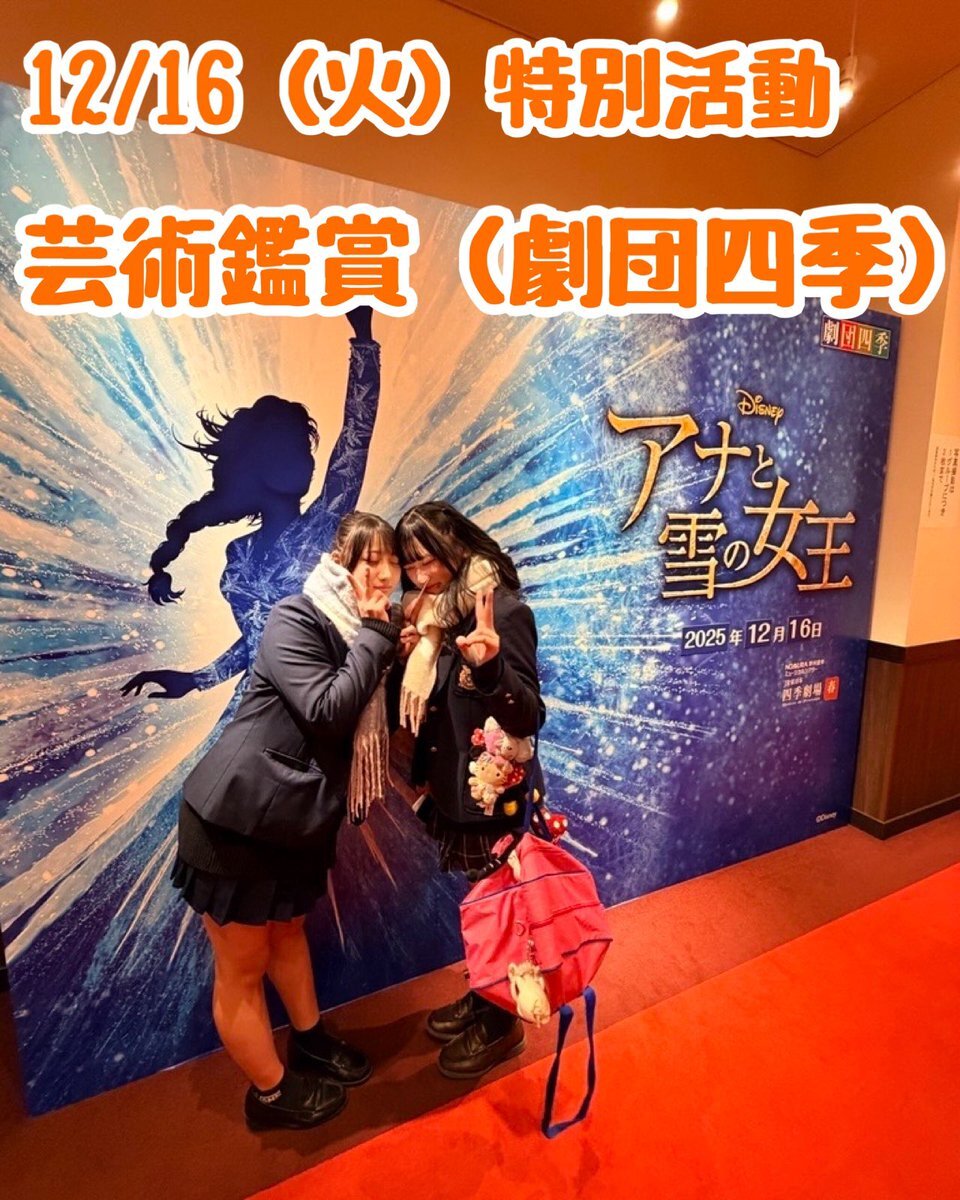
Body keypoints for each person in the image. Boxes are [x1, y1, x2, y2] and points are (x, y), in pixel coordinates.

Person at [172, 513, 401, 1131]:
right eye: (370, 560)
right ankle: (269, 1093)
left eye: (393, 561)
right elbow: (327, 710)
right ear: (340, 562)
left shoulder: (374, 631)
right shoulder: (295, 618)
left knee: (289, 933)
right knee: (243, 963)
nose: (384, 574)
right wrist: (379, 638)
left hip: (298, 824)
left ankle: (308, 1039)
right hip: (237, 821)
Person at [393, 500, 545, 1080]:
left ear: (456, 545)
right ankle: (484, 995)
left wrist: (490, 667)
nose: (420, 575)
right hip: (457, 792)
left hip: (493, 799)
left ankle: (502, 1024)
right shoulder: (436, 621)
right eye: (410, 565)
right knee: (482, 909)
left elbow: (529, 715)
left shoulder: (503, 611)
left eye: (427, 559)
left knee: (500, 912)